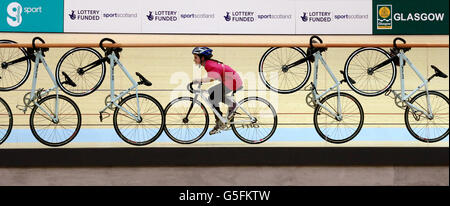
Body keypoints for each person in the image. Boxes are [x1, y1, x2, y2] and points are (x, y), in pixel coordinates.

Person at [192, 47, 243, 135]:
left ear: (202, 58)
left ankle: (223, 117)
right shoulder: (208, 63)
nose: (194, 59)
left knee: (212, 96)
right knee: (212, 93)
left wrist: (198, 80)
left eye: (196, 57)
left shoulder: (208, 64)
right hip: (231, 79)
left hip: (232, 80)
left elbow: (212, 78)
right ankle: (220, 119)